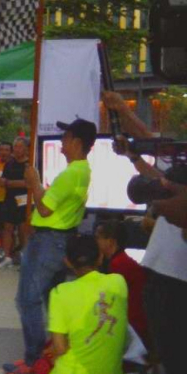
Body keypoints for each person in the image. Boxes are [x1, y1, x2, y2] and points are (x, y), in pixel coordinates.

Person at [103, 90, 187, 374]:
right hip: (159, 272)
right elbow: (163, 177)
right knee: (161, 349)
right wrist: (134, 155)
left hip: (178, 279)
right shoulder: (179, 161)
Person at [4, 118, 95, 373]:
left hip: (48, 242)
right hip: (61, 241)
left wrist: (33, 181)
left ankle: (34, 360)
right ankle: (51, 354)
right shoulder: (83, 170)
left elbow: (43, 208)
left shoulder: (71, 173)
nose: (62, 143)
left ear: (76, 142)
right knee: (51, 299)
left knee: (27, 300)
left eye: (65, 138)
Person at [44, 235, 128, 374]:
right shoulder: (119, 283)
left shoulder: (60, 293)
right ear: (100, 257)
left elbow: (60, 348)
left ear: (68, 262)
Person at [95, 220, 149, 346]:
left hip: (132, 325)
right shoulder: (121, 261)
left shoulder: (118, 264)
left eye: (98, 238)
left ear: (111, 241)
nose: (96, 242)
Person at [0, 137, 31, 269]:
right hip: (9, 199)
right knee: (7, 229)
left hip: (25, 201)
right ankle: (7, 257)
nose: (17, 150)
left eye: (20, 147)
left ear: (27, 148)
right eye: (15, 147)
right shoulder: (9, 164)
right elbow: (3, 181)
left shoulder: (30, 164)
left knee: (23, 230)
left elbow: (28, 183)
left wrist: (9, 183)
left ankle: (25, 258)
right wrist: (5, 183)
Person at [0, 142, 12, 251]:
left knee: (8, 227)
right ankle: (2, 249)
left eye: (7, 150)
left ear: (10, 152)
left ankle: (9, 251)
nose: (4, 152)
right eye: (2, 150)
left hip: (8, 200)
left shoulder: (13, 165)